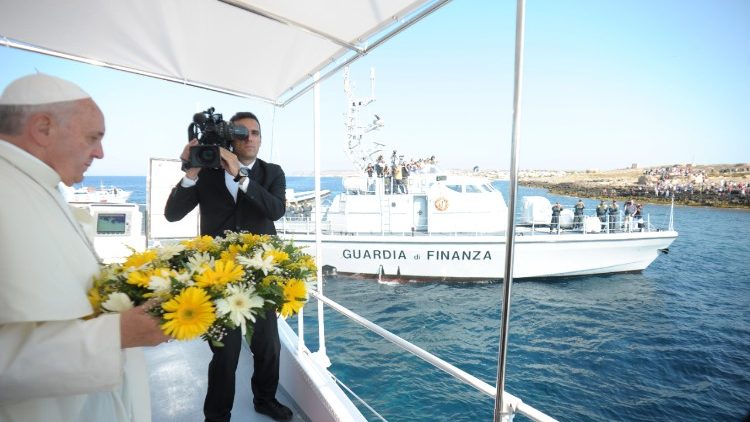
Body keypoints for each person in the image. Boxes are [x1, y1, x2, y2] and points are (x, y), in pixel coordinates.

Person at [0, 73, 169, 422]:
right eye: (93, 137)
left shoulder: (40, 183)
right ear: (43, 128)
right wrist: (115, 334)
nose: (101, 152)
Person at [164, 111, 292, 421]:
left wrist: (241, 175)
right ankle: (217, 414)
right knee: (225, 350)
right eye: (242, 132)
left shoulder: (272, 172)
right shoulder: (206, 174)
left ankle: (265, 400)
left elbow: (275, 210)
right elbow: (172, 214)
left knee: (268, 346)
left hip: (260, 271)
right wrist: (191, 171)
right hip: (218, 274)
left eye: (256, 133)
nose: (250, 138)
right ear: (229, 140)